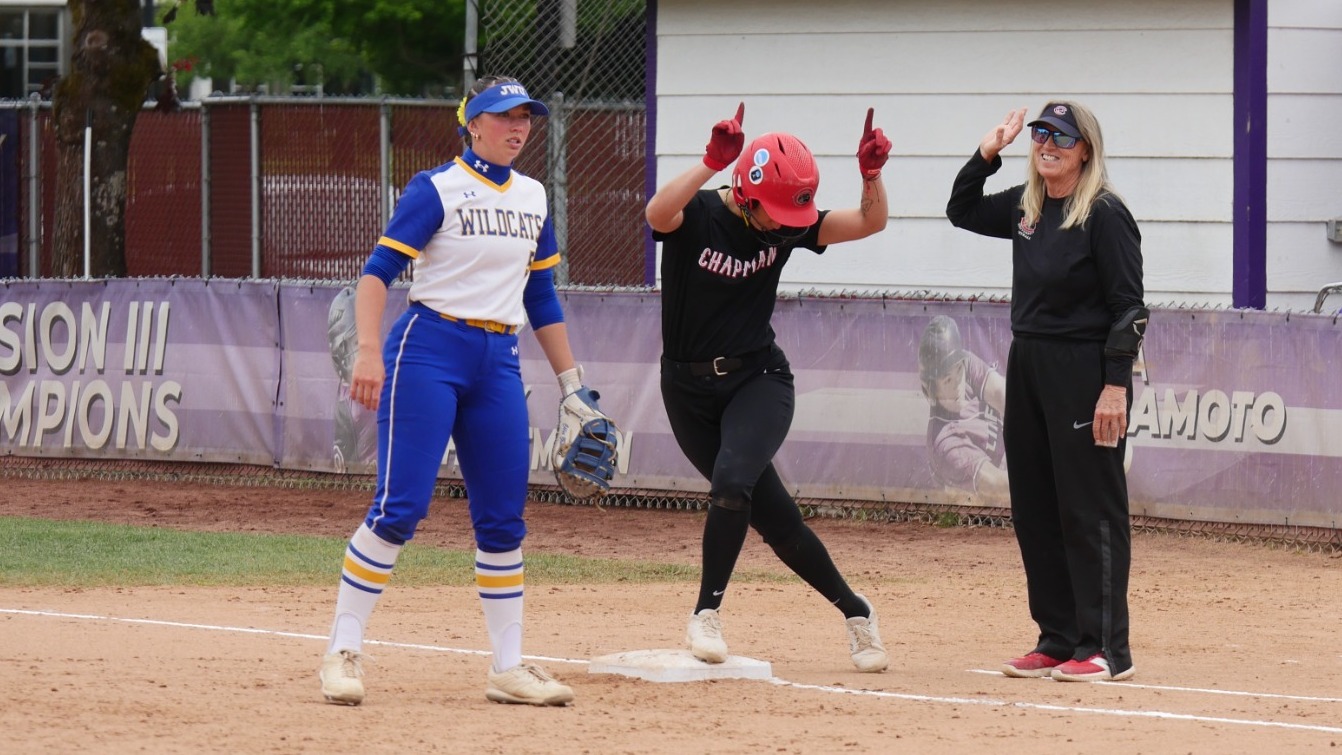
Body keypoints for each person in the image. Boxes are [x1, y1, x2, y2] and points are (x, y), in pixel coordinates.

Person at [318, 75, 600, 707]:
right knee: (402, 507)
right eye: (504, 116)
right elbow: (376, 275)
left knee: (503, 519)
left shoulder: (533, 197)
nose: (518, 126)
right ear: (472, 124)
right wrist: (368, 351)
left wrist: (572, 386)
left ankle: (507, 668)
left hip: (497, 359)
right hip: (428, 349)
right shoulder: (437, 188)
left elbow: (541, 297)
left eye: (526, 117)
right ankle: (342, 648)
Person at [644, 103, 893, 672]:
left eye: (794, 212)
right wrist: (710, 162)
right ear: (745, 192)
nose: (786, 223)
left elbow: (870, 222)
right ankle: (857, 611)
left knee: (733, 482)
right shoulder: (700, 215)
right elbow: (658, 215)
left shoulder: (791, 225)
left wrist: (872, 176)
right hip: (686, 391)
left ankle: (706, 613)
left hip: (759, 379)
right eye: (777, 211)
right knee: (776, 520)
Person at [946, 101, 1146, 682]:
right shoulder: (1026, 205)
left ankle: (1106, 648)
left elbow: (1130, 307)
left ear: (1085, 147)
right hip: (1028, 360)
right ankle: (1057, 639)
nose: (1045, 144)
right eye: (1039, 134)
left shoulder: (1105, 214)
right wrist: (988, 151)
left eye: (1059, 136)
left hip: (1084, 370)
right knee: (1036, 509)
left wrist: (1114, 386)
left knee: (1090, 510)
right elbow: (959, 210)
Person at [918, 315, 1008, 502]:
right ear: (930, 389)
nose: (957, 383)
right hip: (982, 516)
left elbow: (1006, 396)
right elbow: (997, 486)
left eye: (958, 370)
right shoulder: (944, 442)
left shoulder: (962, 364)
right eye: (947, 380)